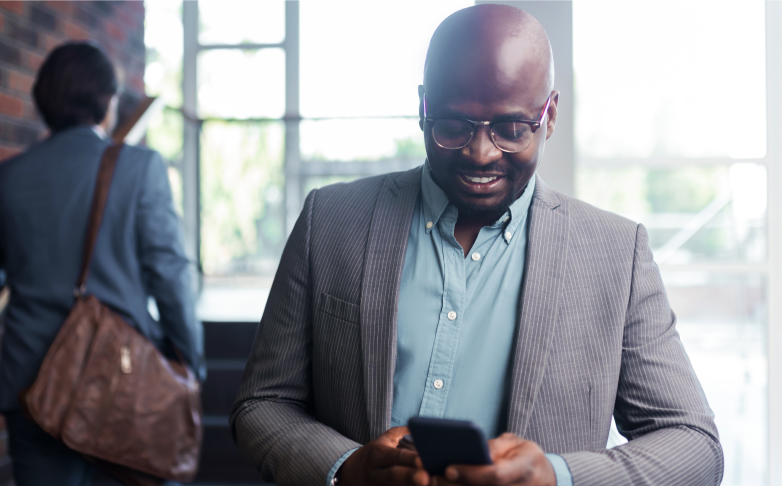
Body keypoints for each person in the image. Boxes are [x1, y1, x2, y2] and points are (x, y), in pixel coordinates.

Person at [230, 5, 721, 486]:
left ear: (549, 115)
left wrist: (558, 476)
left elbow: (694, 445)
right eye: (453, 126)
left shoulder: (616, 254)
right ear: (422, 107)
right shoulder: (331, 221)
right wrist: (345, 467)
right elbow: (262, 403)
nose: (480, 154)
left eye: (510, 129)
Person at [0, 41, 204, 486]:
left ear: (44, 102)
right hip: (123, 384)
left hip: (31, 388)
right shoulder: (139, 168)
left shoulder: (5, 179)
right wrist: (190, 362)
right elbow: (170, 275)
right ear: (107, 101)